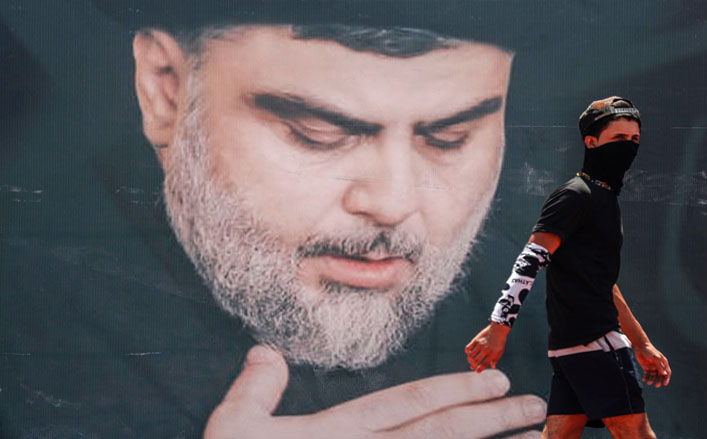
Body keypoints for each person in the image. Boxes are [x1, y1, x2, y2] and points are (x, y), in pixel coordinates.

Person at [55, 1, 546, 437]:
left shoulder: (548, 312)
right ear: (165, 91)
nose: (393, 204)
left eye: (449, 138)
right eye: (318, 133)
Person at [465, 97, 672, 438]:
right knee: (636, 435)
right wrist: (498, 327)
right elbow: (530, 259)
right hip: (596, 343)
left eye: (634, 140)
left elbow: (604, 285)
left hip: (571, 349)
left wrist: (641, 343)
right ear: (591, 142)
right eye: (619, 139)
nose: (629, 147)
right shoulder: (576, 196)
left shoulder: (604, 199)